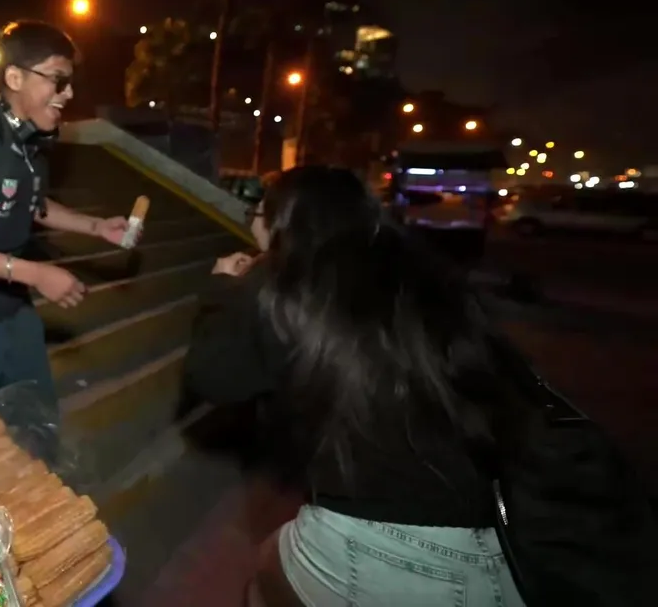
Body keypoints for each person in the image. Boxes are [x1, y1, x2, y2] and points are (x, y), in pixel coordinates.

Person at [185, 166, 531, 606]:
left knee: (264, 577)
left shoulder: (285, 284)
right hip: (501, 538)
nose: (251, 222)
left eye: (256, 213)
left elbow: (214, 377)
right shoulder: (426, 276)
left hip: (382, 547)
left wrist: (222, 290)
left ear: (281, 220)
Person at [0, 20, 137, 413]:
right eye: (58, 80)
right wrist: (36, 274)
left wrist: (97, 226)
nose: (68, 93)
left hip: (13, 303)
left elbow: (31, 202)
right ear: (14, 77)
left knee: (34, 414)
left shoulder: (29, 138)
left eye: (70, 82)